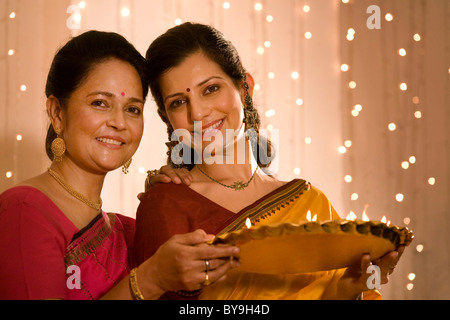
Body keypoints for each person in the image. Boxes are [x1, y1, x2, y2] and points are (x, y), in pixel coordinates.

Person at [134, 22, 404, 300]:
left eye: (211, 89)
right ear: (167, 118)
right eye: (178, 102)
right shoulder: (167, 204)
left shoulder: (310, 201)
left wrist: (345, 292)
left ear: (244, 88)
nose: (198, 112)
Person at [0, 30, 239, 300]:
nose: (119, 122)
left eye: (133, 109)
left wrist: (173, 198)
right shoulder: (25, 212)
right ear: (57, 112)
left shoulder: (126, 232)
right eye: (100, 103)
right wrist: (150, 279)